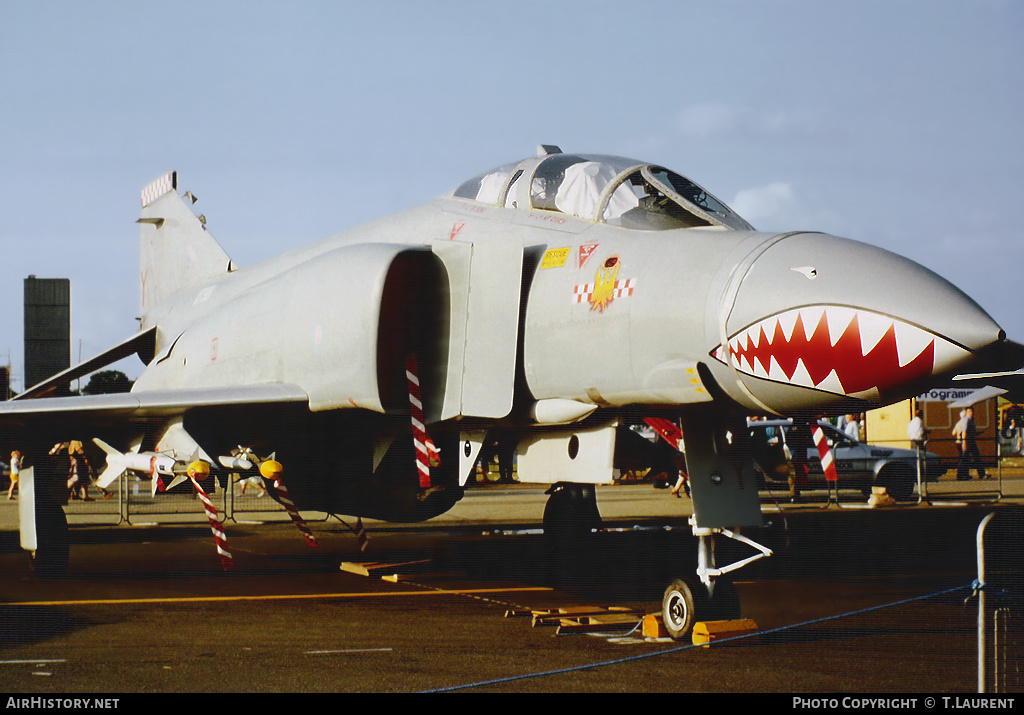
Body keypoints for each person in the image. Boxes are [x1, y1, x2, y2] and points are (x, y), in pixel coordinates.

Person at [958, 407, 988, 480]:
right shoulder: (966, 420)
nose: (971, 413)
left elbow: (971, 432)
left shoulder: (971, 420)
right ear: (967, 412)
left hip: (971, 440)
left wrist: (979, 433)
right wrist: (964, 442)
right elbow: (964, 432)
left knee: (973, 458)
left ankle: (981, 474)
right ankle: (961, 475)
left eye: (972, 411)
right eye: (969, 411)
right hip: (968, 441)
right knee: (965, 459)